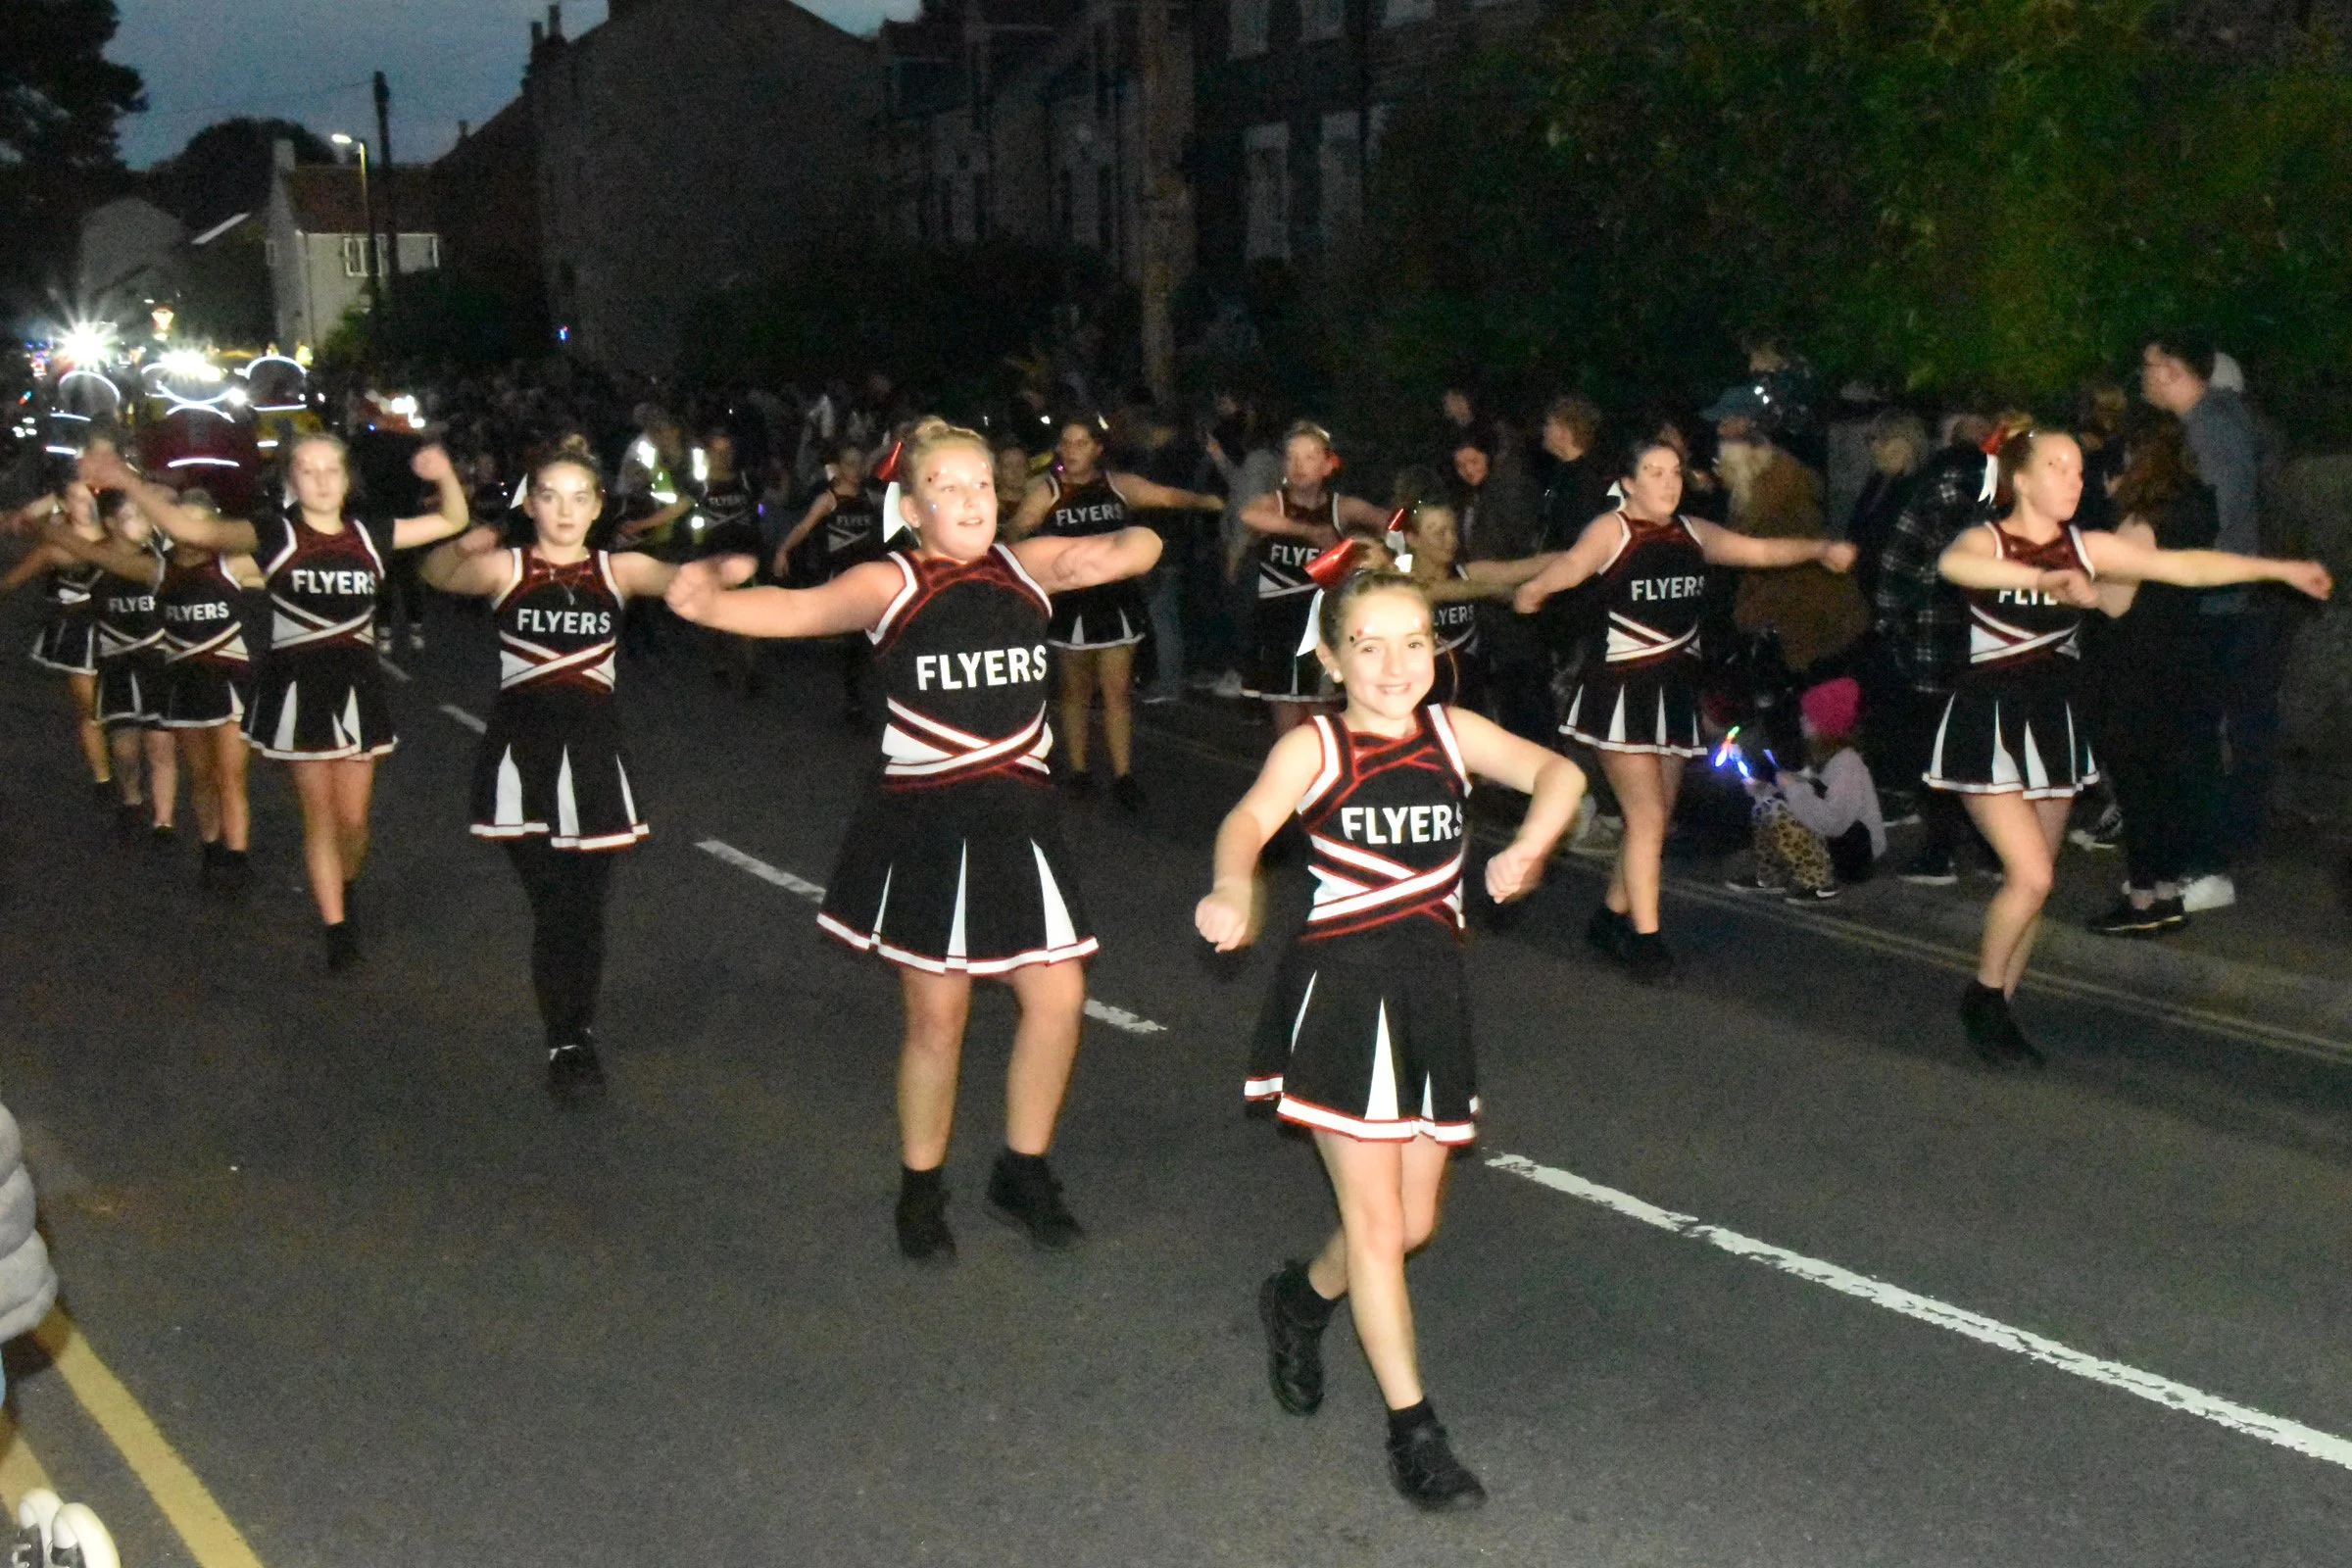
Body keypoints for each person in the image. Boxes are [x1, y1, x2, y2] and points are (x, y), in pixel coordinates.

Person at [666, 417, 1163, 1261]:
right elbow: (792, 611)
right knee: (939, 1018)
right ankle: (921, 1185)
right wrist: (706, 599)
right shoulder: (887, 581)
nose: (970, 499)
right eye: (948, 487)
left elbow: (1143, 544)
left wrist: (1110, 551)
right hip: (927, 817)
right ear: (911, 506)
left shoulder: (1025, 564)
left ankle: (1023, 1167)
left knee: (1059, 997)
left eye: (980, 483)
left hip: (1018, 815)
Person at [1196, 569, 1585, 1512]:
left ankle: (1299, 1299)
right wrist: (1233, 887)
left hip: (1429, 990)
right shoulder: (1315, 745)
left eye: (1413, 641)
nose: (1393, 663)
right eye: (1366, 644)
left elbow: (1560, 772)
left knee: (1412, 1226)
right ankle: (1416, 1432)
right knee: (1376, 1227)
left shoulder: (1453, 734)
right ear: (1330, 657)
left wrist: (1531, 845)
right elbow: (1246, 821)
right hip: (1338, 991)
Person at [1927, 427, 2329, 1064]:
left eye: (2080, 471)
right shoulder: (1988, 538)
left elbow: (2184, 566)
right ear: (2022, 480)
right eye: (2058, 467)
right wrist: (2055, 581)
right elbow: (1956, 566)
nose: (2074, 479)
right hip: (1989, 721)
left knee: (2038, 882)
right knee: (2029, 877)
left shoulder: (2089, 546)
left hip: (2054, 723)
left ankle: (2000, 1006)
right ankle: (1982, 994)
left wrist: (2276, 568)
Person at [80, 434, 470, 967]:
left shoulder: (371, 533)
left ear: (346, 477)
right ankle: (336, 927)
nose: (321, 480)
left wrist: (443, 473)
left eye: (331, 469)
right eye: (307, 471)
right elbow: (194, 529)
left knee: (354, 820)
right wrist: (126, 481)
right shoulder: (272, 532)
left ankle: (345, 884)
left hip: (357, 684)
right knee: (320, 813)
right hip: (298, 686)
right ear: (290, 480)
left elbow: (451, 521)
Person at [1514, 437, 1859, 983]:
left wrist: (1819, 550)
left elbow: (1760, 552)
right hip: (1622, 691)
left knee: (1653, 819)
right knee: (1647, 817)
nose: (1668, 482)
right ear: (1629, 482)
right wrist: (1536, 587)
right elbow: (1576, 564)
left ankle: (1611, 914)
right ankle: (1645, 940)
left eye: (1675, 471)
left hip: (1673, 691)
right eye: (1653, 471)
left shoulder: (1693, 532)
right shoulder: (1614, 529)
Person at [421, 451, 676, 1098]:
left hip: (594, 759)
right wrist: (463, 544)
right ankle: (568, 1035)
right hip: (520, 758)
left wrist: (731, 567)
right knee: (558, 904)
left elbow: (685, 584)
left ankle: (571, 1036)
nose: (564, 511)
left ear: (597, 507)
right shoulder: (509, 568)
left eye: (577, 498)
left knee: (582, 908)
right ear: (530, 505)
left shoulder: (617, 570)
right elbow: (441, 575)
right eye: (550, 497)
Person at [41, 488, 260, 888]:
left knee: (232, 774)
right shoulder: (159, 569)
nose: (191, 533)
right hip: (184, 682)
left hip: (231, 682)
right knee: (201, 773)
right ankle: (211, 846)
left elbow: (288, 568)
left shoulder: (234, 564)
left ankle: (238, 854)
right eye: (183, 523)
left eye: (201, 523)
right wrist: (45, 527)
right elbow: (98, 556)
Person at [1006, 415, 1221, 809]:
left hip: (1115, 599)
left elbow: (1170, 497)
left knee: (1117, 691)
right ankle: (1080, 770)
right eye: (1065, 444)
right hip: (1071, 601)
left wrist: (1218, 502)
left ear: (1098, 447)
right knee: (1075, 689)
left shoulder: (1117, 485)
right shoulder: (1048, 490)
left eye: (1080, 443)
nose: (1071, 451)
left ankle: (1123, 775)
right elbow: (1019, 527)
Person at [2140, 332, 2279, 909]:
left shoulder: (2211, 427)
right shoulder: (2197, 426)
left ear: (2173, 370)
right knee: (2199, 736)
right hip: (2210, 601)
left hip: (2215, 606)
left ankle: (2210, 865)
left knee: (2202, 738)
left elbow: (2214, 519)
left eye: (2148, 366)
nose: (2141, 376)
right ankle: (2199, 858)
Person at [2080, 416, 2222, 938]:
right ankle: (2166, 894)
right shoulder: (2196, 511)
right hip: (2179, 656)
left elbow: (2115, 603)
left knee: (2138, 788)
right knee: (2166, 784)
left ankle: (2141, 901)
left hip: (2132, 666)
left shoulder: (2140, 524)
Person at [1240, 424, 1393, 733]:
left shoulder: (1341, 507)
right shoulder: (1275, 504)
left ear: (1327, 465)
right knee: (1285, 708)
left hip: (1321, 621)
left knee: (1324, 711)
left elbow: (1393, 521)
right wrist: (1309, 531)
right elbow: (1248, 515)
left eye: (1309, 457)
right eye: (1292, 457)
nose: (1298, 465)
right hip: (1279, 624)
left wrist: (1377, 552)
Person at [1723, 675, 1886, 902]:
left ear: (1825, 726)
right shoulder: (1821, 757)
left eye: (1808, 716)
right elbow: (1804, 793)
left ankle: (1820, 882)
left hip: (1857, 852)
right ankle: (1771, 877)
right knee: (1766, 808)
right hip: (1839, 842)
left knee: (1777, 811)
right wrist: (1764, 790)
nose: (1801, 719)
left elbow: (1835, 821)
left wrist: (1792, 789)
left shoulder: (1847, 763)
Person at [5, 484, 114, 800]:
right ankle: (103, 778)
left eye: (88, 497)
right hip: (78, 631)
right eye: (77, 499)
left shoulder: (118, 536)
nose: (86, 504)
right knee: (91, 709)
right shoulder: (53, 547)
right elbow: (12, 580)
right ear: (65, 505)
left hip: (118, 629)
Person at [774, 441, 889, 722]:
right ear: (836, 467)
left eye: (859, 463)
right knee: (854, 639)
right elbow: (804, 526)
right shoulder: (828, 499)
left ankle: (863, 692)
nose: (856, 469)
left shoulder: (870, 497)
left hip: (868, 574)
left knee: (868, 637)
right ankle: (854, 699)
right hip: (842, 575)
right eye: (849, 463)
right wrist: (783, 550)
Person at [84, 490, 175, 842]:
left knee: (161, 744)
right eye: (131, 516)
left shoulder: (160, 557)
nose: (143, 522)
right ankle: (132, 797)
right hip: (117, 660)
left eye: (144, 515)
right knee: (125, 747)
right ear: (110, 523)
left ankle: (164, 820)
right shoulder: (97, 560)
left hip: (157, 657)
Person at [1396, 501, 1546, 710]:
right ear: (1413, 538)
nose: (1450, 540)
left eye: (1452, 530)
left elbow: (1527, 567)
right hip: (1420, 704)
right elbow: (1437, 591)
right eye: (1438, 532)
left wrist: (1586, 553)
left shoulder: (1468, 574)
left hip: (1468, 702)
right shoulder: (1399, 581)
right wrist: (1496, 591)